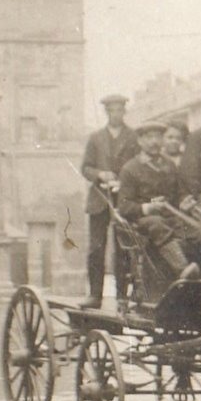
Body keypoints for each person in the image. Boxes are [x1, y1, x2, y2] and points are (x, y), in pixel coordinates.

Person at [116, 121, 198, 289]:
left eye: (158, 137)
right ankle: (183, 270)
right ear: (140, 141)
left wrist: (184, 202)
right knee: (157, 224)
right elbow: (124, 207)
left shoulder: (169, 165)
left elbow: (179, 192)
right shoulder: (130, 169)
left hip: (170, 218)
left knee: (198, 230)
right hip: (144, 222)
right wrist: (148, 207)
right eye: (149, 137)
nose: (154, 142)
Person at [79, 93, 139, 308]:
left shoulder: (134, 137)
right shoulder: (95, 138)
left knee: (123, 247)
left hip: (124, 198)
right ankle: (95, 295)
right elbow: (85, 167)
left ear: (125, 111)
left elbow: (138, 165)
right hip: (99, 199)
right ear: (106, 112)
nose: (116, 114)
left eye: (120, 110)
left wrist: (123, 180)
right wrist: (100, 175)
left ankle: (122, 296)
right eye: (112, 110)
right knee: (96, 247)